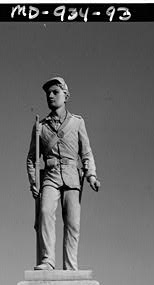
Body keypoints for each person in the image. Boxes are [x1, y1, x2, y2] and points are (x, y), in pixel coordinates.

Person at [27, 77, 100, 270]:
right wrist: (34, 182)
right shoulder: (40, 127)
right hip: (50, 175)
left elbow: (86, 152)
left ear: (65, 96)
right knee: (45, 213)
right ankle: (48, 261)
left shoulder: (77, 123)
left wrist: (91, 174)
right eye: (48, 93)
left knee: (72, 223)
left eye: (55, 92)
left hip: (71, 175)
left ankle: (70, 265)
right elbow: (31, 158)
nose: (50, 96)